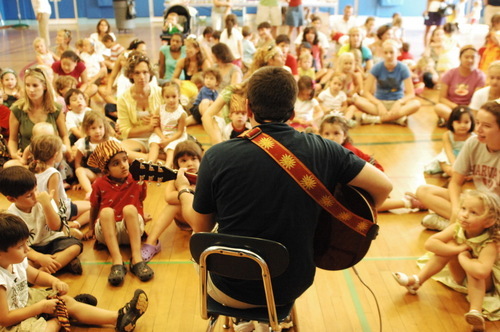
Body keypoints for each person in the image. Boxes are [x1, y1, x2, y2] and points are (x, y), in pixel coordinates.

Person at [174, 67, 392, 329]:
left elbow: (200, 227)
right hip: (291, 284)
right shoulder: (325, 149)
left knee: (205, 249)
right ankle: (272, 321)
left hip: (230, 287)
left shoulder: (216, 156)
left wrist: (184, 192)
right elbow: (384, 187)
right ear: (293, 110)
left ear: (248, 107)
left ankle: (245, 319)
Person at [0, 212, 148, 332]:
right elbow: (5, 319)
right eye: (20, 246)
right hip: (9, 324)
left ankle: (119, 318)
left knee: (67, 302)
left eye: (27, 243)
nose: (27, 249)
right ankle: (59, 319)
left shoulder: (17, 262)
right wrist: (41, 308)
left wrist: (54, 281)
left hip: (26, 301)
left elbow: (36, 276)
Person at [392, 190, 500, 330]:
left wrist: (463, 257)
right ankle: (417, 281)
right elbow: (430, 244)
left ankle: (476, 312)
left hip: (485, 284)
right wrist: (457, 250)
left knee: (474, 266)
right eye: (463, 209)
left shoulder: (490, 242)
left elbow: (482, 272)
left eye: (473, 213)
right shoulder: (458, 227)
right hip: (462, 277)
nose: (465, 214)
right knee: (447, 248)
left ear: (489, 221)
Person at [416, 101, 500, 231]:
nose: (478, 129)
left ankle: (455, 226)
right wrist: (456, 210)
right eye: (477, 123)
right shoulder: (473, 142)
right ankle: (464, 225)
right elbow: (455, 182)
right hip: (473, 204)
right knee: (424, 191)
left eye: (487, 126)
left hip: (494, 210)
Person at [318, 113, 425, 212]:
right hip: (362, 178)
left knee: (361, 209)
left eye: (336, 133)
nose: (331, 137)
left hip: (375, 178)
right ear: (320, 135)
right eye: (327, 134)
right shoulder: (327, 150)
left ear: (345, 135)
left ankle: (409, 202)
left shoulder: (347, 152)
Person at [84, 140, 154, 286]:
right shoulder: (99, 184)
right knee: (106, 212)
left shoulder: (137, 178)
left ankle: (136, 259)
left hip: (130, 230)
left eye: (124, 160)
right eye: (116, 163)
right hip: (109, 231)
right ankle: (117, 260)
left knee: (129, 209)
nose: (123, 165)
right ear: (106, 170)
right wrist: (91, 228)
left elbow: (140, 200)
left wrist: (141, 214)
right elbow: (94, 207)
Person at [0, 166, 83, 275]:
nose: (36, 196)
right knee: (19, 262)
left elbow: (55, 226)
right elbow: (20, 246)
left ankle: (43, 272)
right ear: (11, 198)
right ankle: (60, 264)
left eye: (36, 189)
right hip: (30, 249)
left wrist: (46, 204)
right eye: (29, 195)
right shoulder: (11, 216)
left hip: (53, 241)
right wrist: (39, 258)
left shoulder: (45, 200)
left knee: (75, 247)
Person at [141, 140, 203, 262]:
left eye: (193, 158)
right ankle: (151, 241)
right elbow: (169, 197)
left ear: (201, 161)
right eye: (183, 161)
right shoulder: (177, 177)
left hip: (203, 221)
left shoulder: (206, 175)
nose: (190, 163)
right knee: (172, 205)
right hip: (184, 220)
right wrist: (186, 189)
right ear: (176, 165)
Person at [7, 67, 72, 164]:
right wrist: (13, 154)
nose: (31, 90)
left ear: (45, 86)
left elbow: (64, 136)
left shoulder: (56, 109)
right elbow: (12, 139)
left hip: (52, 158)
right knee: (8, 166)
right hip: (28, 158)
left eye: (35, 85)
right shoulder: (17, 109)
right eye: (27, 85)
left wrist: (67, 150)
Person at [29, 135, 90, 229]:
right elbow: (55, 201)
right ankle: (75, 224)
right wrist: (58, 219)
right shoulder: (53, 173)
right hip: (59, 210)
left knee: (82, 203)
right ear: (55, 155)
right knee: (95, 207)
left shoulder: (33, 168)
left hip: (42, 209)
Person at [355, 40, 421, 126]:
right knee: (357, 101)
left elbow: (411, 93)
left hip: (397, 102)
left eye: (391, 52)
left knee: (416, 104)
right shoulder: (377, 67)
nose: (388, 56)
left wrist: (399, 102)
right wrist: (378, 103)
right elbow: (366, 92)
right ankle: (396, 119)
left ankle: (377, 119)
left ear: (398, 53)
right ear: (382, 54)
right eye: (385, 53)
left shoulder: (403, 68)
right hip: (379, 102)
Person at [117, 54, 162, 160]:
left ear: (150, 73)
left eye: (145, 72)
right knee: (117, 150)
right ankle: (153, 159)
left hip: (159, 137)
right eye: (137, 73)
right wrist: (148, 127)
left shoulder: (160, 93)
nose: (142, 77)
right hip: (137, 140)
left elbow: (177, 118)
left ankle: (148, 160)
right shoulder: (123, 99)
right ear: (131, 75)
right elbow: (125, 131)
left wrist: (158, 121)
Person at [434, 45, 485, 126]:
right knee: (438, 107)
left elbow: (476, 99)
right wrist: (456, 107)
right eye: (466, 57)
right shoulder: (449, 74)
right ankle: (465, 122)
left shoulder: (480, 76)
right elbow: (442, 98)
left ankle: (454, 121)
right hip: (452, 107)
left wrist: (466, 109)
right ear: (460, 58)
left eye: (473, 57)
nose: (470, 60)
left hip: (470, 108)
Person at [74, 111, 119, 200]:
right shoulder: (83, 143)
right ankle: (90, 192)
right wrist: (81, 180)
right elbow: (77, 162)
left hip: (109, 175)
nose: (98, 131)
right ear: (87, 130)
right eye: (93, 128)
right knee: (79, 170)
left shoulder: (111, 141)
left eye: (100, 127)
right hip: (93, 175)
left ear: (105, 127)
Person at [424, 106, 475, 177]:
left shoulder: (473, 137)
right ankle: (452, 173)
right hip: (451, 158)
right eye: (459, 122)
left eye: (466, 122)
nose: (462, 125)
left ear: (471, 123)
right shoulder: (447, 135)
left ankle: (459, 175)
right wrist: (454, 165)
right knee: (442, 161)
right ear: (452, 123)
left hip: (465, 158)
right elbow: (448, 151)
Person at [148, 81, 188, 165]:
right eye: (167, 97)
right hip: (162, 133)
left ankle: (168, 166)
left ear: (179, 96)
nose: (171, 100)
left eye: (174, 96)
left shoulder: (181, 113)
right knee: (154, 143)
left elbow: (180, 132)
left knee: (171, 148)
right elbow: (156, 127)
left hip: (175, 136)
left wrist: (168, 140)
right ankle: (149, 163)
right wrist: (162, 137)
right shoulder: (160, 109)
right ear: (163, 97)